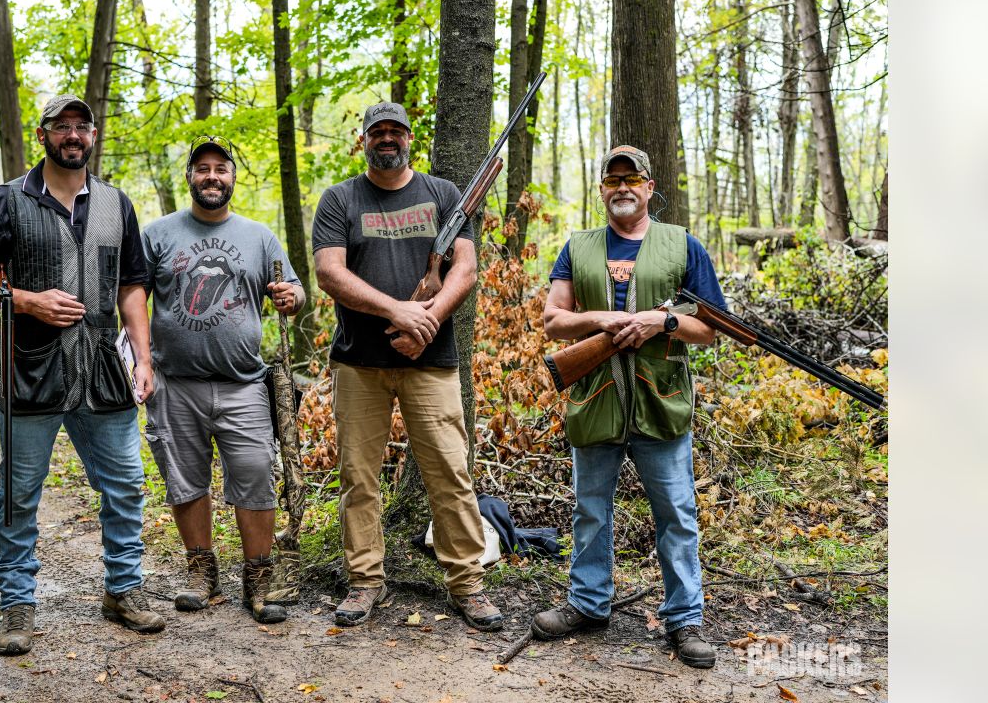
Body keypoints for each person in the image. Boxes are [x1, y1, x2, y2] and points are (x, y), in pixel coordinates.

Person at [0, 94, 163, 656]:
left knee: (125, 484)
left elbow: (132, 287)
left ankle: (123, 590)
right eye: (61, 126)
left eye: (82, 126)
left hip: (101, 368)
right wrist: (25, 301)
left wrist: (142, 360)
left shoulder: (117, 205)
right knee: (20, 493)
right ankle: (16, 604)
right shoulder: (5, 202)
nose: (73, 135)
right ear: (42, 134)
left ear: (93, 135)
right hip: (30, 368)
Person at [531, 145, 727, 669]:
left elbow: (709, 327)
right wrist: (606, 321)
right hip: (596, 399)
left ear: (649, 186)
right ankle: (588, 604)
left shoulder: (681, 247)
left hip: (661, 403)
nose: (622, 187)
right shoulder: (579, 247)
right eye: (612, 179)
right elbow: (553, 320)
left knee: (677, 514)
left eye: (631, 178)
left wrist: (658, 322)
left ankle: (684, 619)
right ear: (601, 190)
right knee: (591, 510)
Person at [311, 102, 503, 632]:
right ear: (364, 139)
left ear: (410, 137)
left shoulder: (444, 195)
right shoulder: (340, 198)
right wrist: (396, 310)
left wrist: (428, 321)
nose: (387, 139)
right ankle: (365, 582)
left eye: (396, 130)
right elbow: (329, 272)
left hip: (432, 361)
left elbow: (465, 267)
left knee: (450, 473)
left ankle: (468, 584)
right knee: (358, 477)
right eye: (378, 131)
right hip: (359, 362)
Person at [141, 135, 305, 624]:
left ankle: (258, 578)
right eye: (203, 168)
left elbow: (294, 289)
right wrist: (138, 361)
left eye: (222, 169)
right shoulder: (157, 235)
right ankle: (201, 572)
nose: (212, 176)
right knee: (185, 479)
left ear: (233, 178)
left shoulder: (259, 236)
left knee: (255, 472)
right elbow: (131, 299)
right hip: (175, 381)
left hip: (243, 383)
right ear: (189, 177)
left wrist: (291, 298)